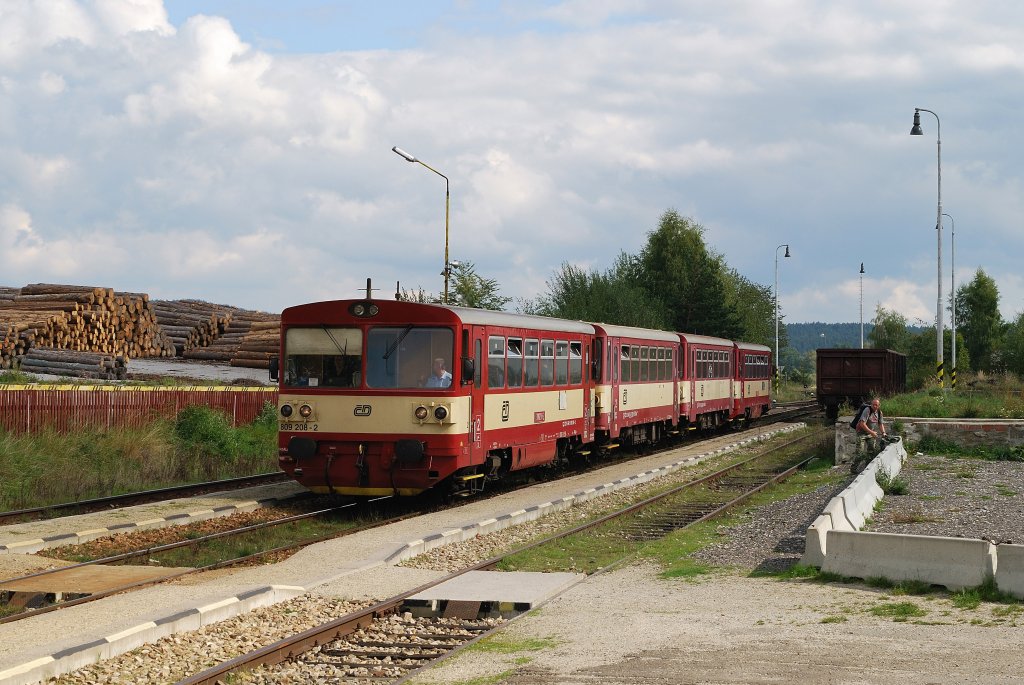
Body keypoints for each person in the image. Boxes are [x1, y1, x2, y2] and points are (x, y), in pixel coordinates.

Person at [851, 397, 887, 472]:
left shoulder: (879, 412)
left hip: (870, 433)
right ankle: (854, 469)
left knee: (871, 451)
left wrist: (883, 433)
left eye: (876, 405)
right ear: (871, 405)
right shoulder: (867, 410)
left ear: (879, 405)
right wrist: (872, 432)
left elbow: (880, 424)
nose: (874, 406)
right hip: (861, 433)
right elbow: (862, 423)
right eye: (873, 405)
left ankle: (867, 468)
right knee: (859, 452)